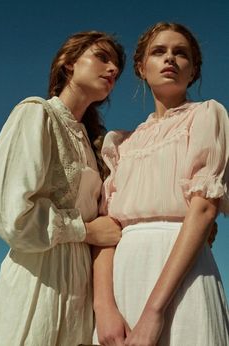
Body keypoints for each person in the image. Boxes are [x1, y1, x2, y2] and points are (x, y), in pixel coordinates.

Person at [93, 22, 229, 346]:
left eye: (180, 53)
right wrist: (103, 307)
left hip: (183, 278)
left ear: (192, 70)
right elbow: (107, 228)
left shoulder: (207, 116)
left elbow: (204, 208)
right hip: (123, 278)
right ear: (141, 67)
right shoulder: (120, 144)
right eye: (159, 51)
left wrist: (155, 311)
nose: (170, 58)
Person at [0, 31, 125, 346]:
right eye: (102, 57)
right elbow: (13, 216)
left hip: (81, 295)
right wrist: (85, 231)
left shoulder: (94, 146)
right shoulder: (36, 113)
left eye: (117, 66)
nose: (113, 70)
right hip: (37, 285)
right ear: (69, 64)